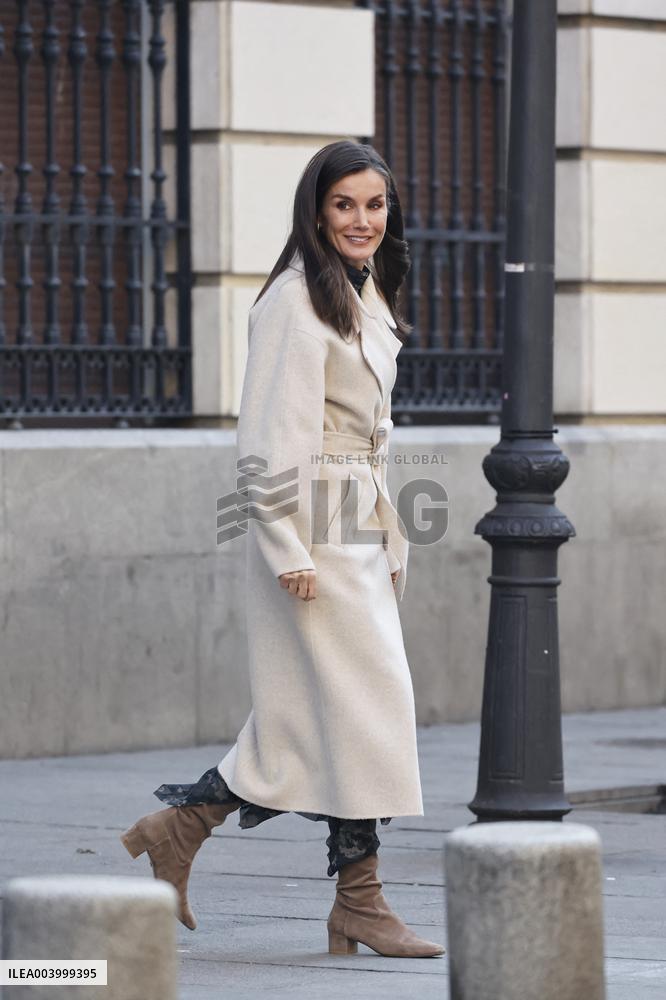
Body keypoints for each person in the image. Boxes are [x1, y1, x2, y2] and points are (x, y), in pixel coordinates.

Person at [120, 139, 444, 959]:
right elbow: (264, 440)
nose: (362, 220)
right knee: (357, 714)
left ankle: (184, 829)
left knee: (323, 719)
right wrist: (285, 547)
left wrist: (388, 530)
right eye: (345, 205)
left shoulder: (366, 295)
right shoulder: (294, 301)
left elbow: (373, 431)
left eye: (375, 205)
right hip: (310, 532)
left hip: (355, 524)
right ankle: (358, 900)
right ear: (316, 211)